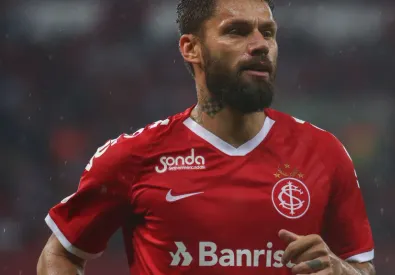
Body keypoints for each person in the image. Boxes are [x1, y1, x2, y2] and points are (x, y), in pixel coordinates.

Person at [37, 0, 376, 274]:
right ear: (191, 48)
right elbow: (60, 255)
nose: (260, 45)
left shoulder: (324, 153)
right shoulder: (134, 156)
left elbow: (362, 267)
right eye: (237, 32)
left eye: (268, 33)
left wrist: (342, 271)